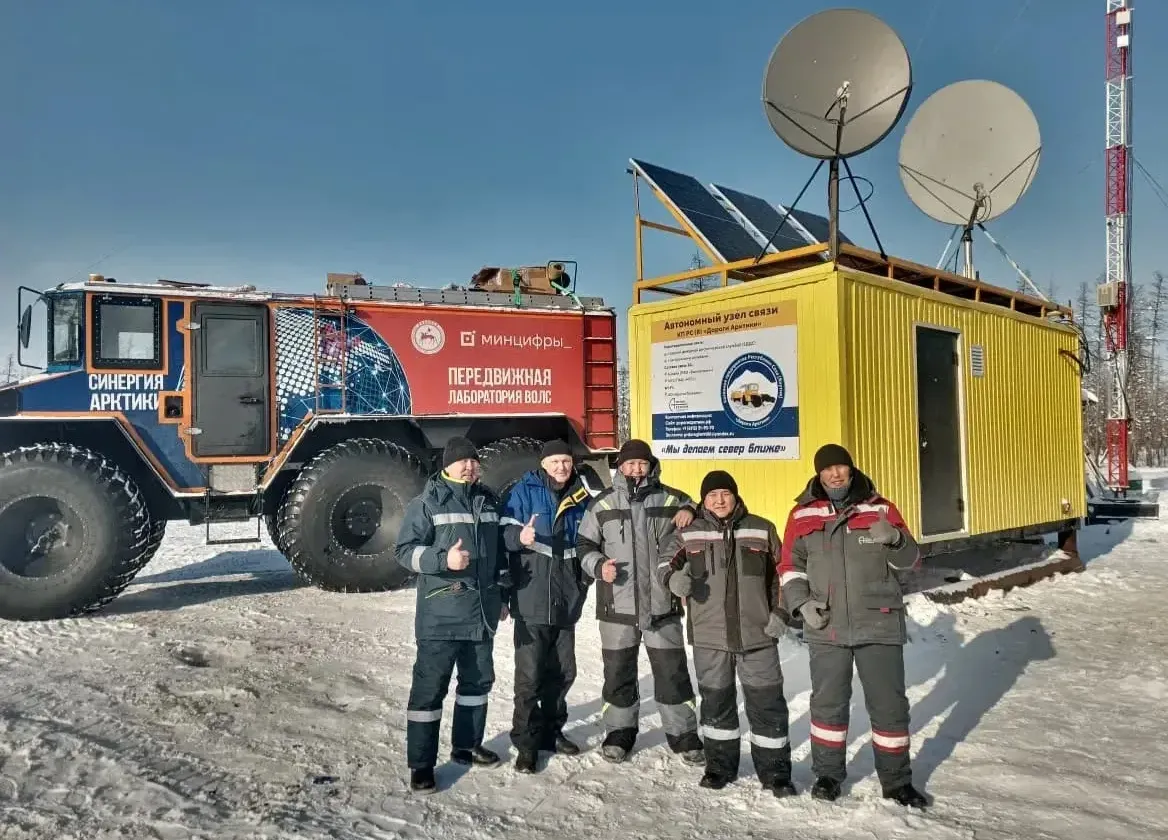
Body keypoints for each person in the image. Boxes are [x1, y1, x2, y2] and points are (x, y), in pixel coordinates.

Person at [777, 443, 929, 808]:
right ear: (818, 474)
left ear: (851, 469)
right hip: (826, 624)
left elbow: (911, 561)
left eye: (840, 467)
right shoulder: (801, 515)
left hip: (878, 622)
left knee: (889, 705)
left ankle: (897, 782)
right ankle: (827, 776)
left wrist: (895, 538)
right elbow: (789, 567)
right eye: (827, 469)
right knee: (827, 705)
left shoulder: (881, 508)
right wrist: (800, 603)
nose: (835, 474)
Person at [657, 470, 796, 795]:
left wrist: (781, 612)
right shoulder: (690, 533)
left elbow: (784, 574)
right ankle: (719, 767)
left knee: (767, 705)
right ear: (703, 500)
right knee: (716, 703)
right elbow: (664, 564)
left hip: (758, 635)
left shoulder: (761, 529)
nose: (719, 500)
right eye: (712, 495)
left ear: (736, 496)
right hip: (710, 636)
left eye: (725, 494)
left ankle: (775, 774)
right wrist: (672, 580)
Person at [575, 438, 703, 765]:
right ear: (620, 467)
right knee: (618, 674)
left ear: (650, 466)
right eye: (630, 464)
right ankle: (620, 732)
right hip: (617, 607)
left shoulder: (671, 498)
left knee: (672, 673)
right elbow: (583, 545)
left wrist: (691, 509)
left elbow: (701, 515)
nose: (636, 469)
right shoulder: (602, 504)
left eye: (641, 464)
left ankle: (683, 734)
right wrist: (596, 566)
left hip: (663, 607)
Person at [395, 436, 511, 793]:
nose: (469, 467)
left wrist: (503, 594)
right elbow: (404, 551)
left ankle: (466, 746)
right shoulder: (427, 503)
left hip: (481, 615)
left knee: (476, 686)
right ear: (447, 465)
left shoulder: (488, 501)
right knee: (429, 693)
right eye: (462, 461)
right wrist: (442, 560)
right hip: (440, 617)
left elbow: (500, 556)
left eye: (474, 461)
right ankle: (422, 765)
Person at [499, 439, 594, 774]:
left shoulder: (582, 495)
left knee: (564, 671)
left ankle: (552, 733)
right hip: (531, 597)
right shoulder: (524, 491)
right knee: (530, 676)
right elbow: (504, 535)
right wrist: (518, 539)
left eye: (566, 461)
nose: (561, 467)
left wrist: (583, 583)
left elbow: (590, 543)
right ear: (544, 463)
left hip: (567, 598)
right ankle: (526, 742)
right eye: (554, 461)